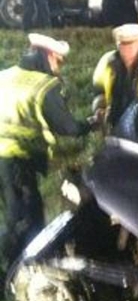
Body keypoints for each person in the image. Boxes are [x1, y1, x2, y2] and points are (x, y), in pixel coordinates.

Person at [0, 33, 95, 270]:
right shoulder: (44, 86)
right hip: (16, 160)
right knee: (26, 219)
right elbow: (68, 127)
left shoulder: (5, 75)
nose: (59, 68)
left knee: (14, 213)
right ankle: (18, 270)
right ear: (48, 56)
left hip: (4, 158)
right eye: (59, 61)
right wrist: (91, 123)